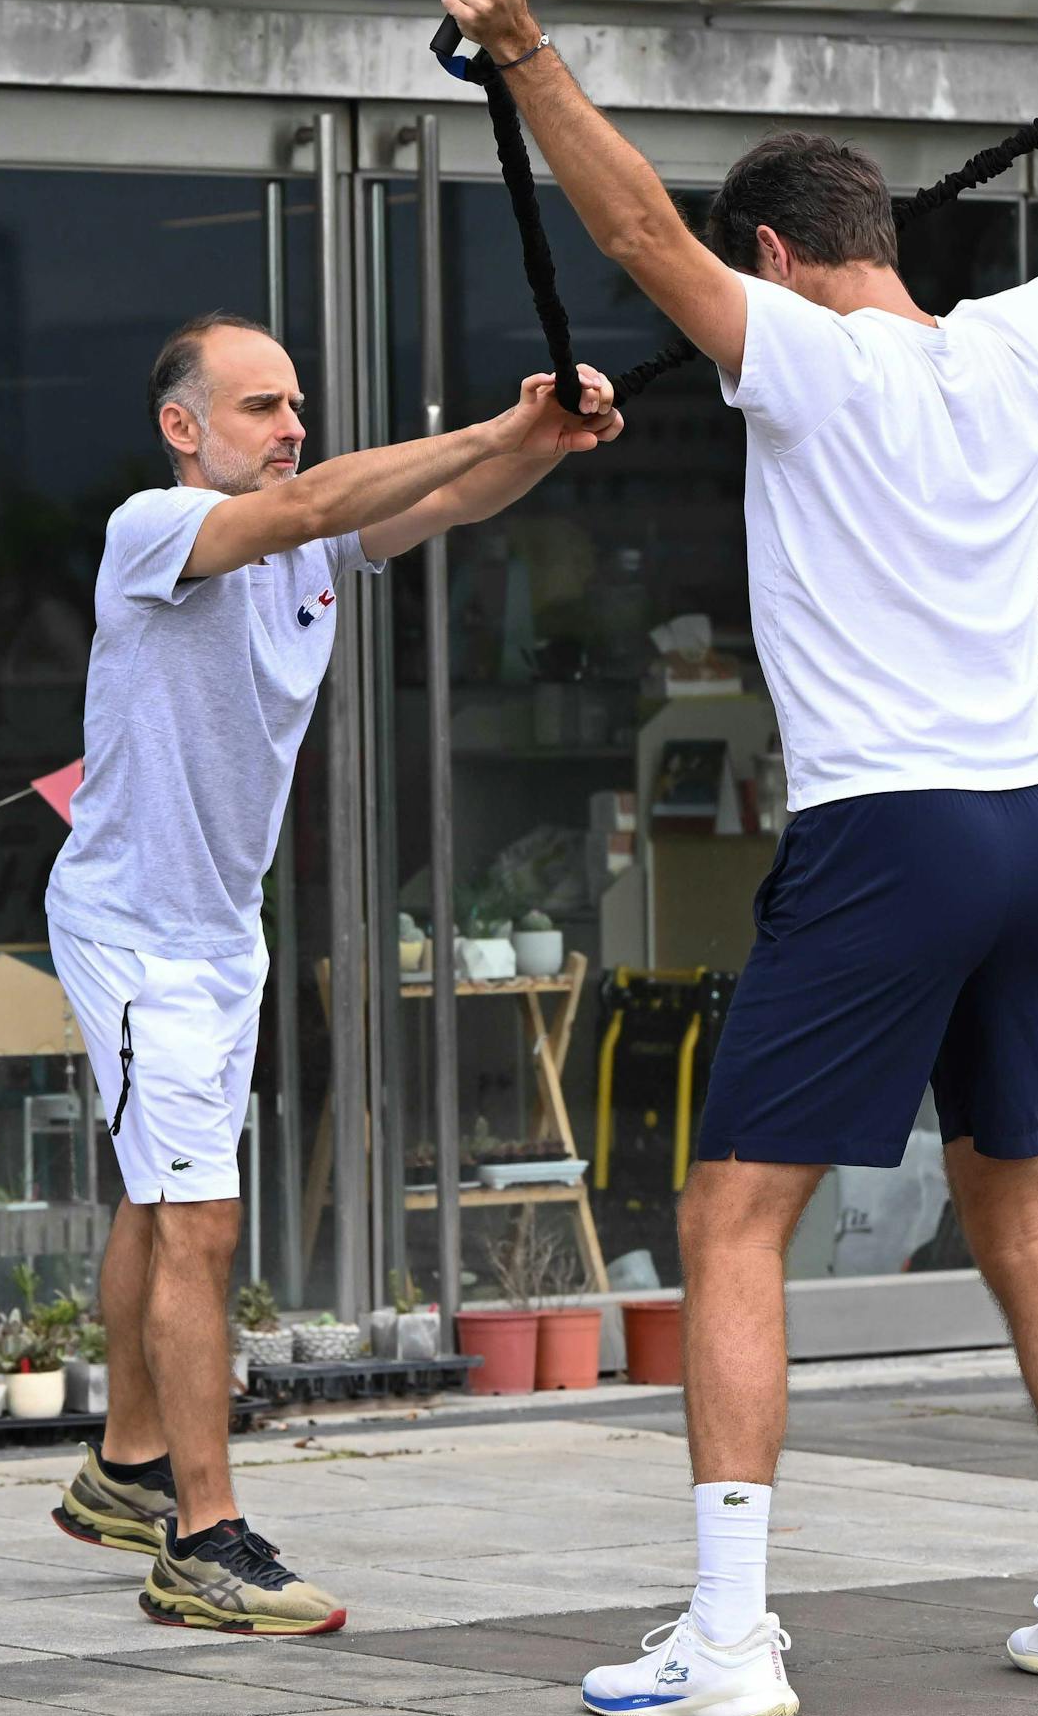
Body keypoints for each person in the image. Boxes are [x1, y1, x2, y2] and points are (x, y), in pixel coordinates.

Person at [437, 0, 1038, 1716]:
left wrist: (522, 55)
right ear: (877, 239)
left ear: (778, 258)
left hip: (887, 836)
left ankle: (733, 1639)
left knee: (733, 1218)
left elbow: (633, 247)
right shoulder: (1012, 348)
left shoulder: (810, 363)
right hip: (1025, 836)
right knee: (1020, 1218)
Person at [46, 313, 620, 1635]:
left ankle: (128, 1465)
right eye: (260, 405)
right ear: (184, 428)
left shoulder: (305, 545)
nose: (291, 425)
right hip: (135, 928)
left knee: (161, 1197)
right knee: (202, 1220)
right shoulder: (154, 527)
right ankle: (203, 1542)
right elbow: (314, 497)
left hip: (218, 932)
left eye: (296, 403)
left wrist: (540, 439)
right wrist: (491, 422)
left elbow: (455, 497)